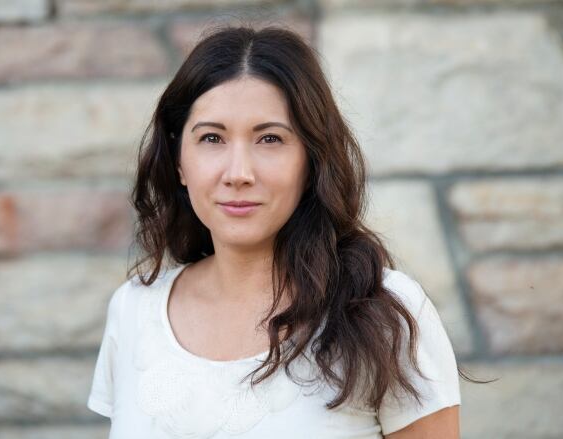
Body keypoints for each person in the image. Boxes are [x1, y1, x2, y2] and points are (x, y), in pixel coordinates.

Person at [87, 24, 469, 438]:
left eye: (270, 138)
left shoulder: (383, 314)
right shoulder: (133, 311)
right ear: (180, 162)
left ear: (311, 161)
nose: (239, 173)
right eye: (212, 138)